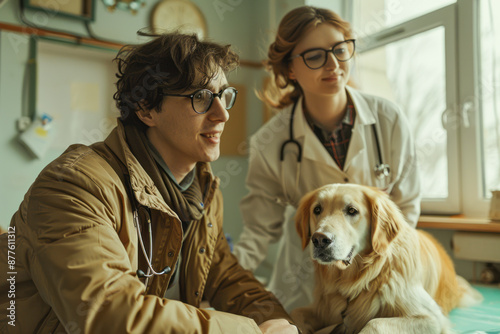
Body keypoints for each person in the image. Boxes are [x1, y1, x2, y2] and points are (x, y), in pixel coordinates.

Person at [0, 33, 298, 334]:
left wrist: (284, 325)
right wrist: (250, 332)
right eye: (201, 98)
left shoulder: (201, 193)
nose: (222, 114)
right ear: (146, 109)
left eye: (224, 95)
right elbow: (110, 315)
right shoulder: (74, 186)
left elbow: (227, 278)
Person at [234, 6, 421, 312]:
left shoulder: (389, 120)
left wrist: (381, 268)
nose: (333, 64)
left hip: (377, 278)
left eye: (340, 50)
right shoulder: (270, 143)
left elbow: (406, 208)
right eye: (315, 56)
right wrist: (221, 281)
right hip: (306, 283)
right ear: (290, 69)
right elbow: (258, 231)